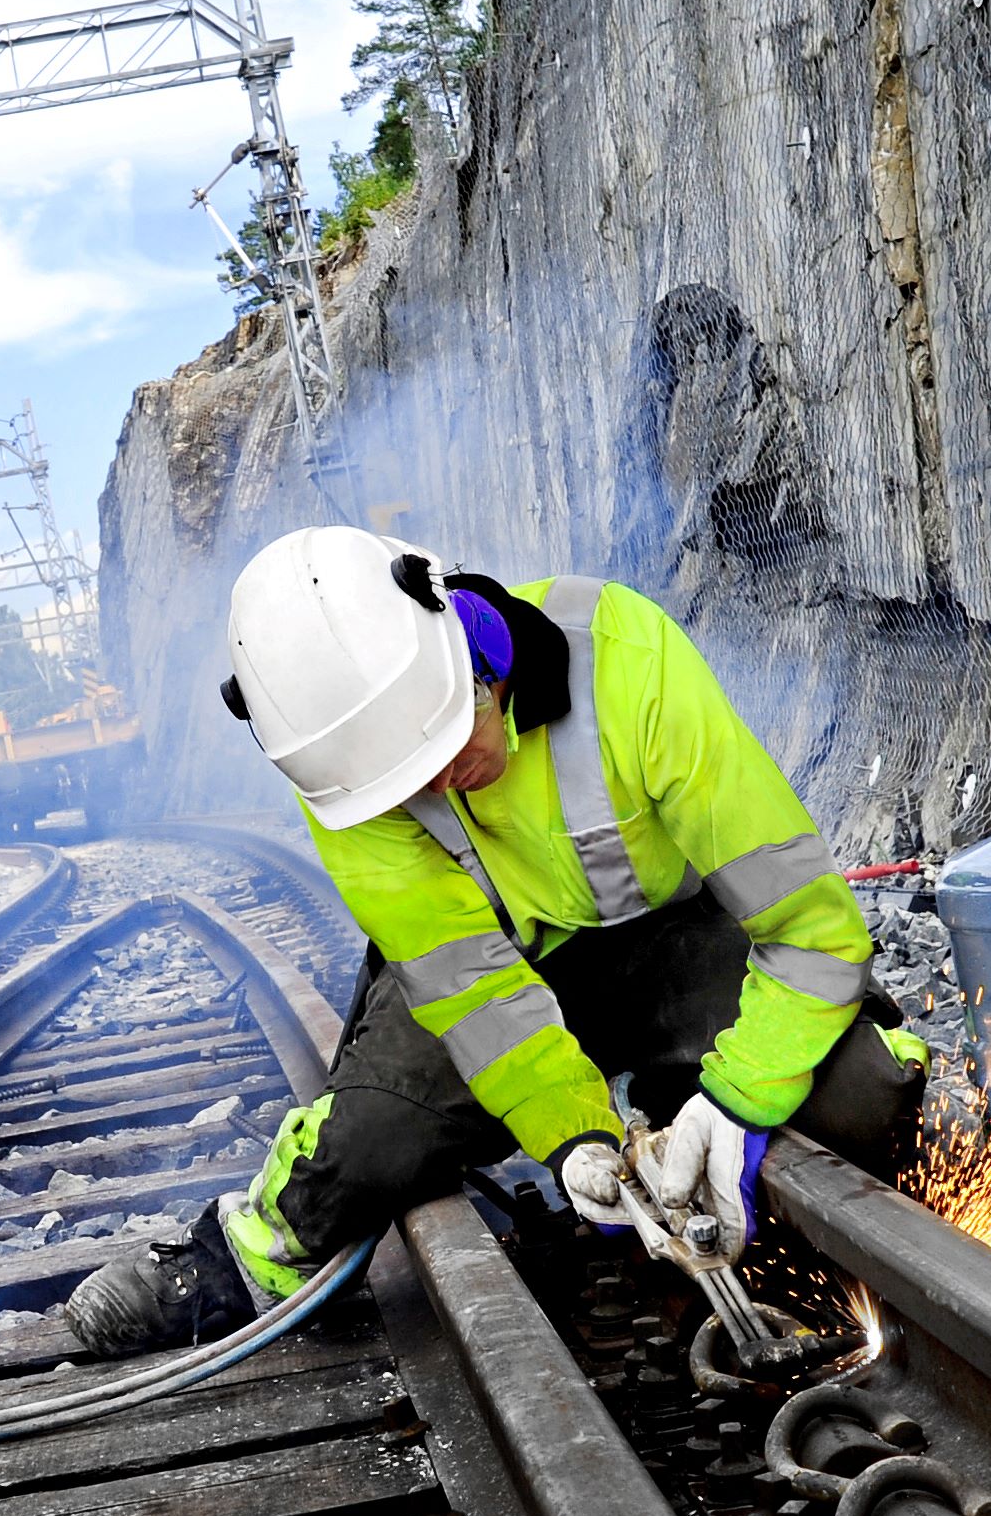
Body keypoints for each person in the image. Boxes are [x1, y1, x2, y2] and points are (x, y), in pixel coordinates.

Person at [65, 527, 928, 1356]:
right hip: (505, 969)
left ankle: (688, 1106)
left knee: (856, 1090)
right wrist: (576, 1138)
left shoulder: (625, 659)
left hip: (674, 947)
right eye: (408, 781)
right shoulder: (341, 765)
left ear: (470, 651)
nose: (440, 784)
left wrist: (735, 1101)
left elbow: (808, 931)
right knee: (375, 1143)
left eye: (445, 741)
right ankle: (238, 1250)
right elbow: (474, 988)